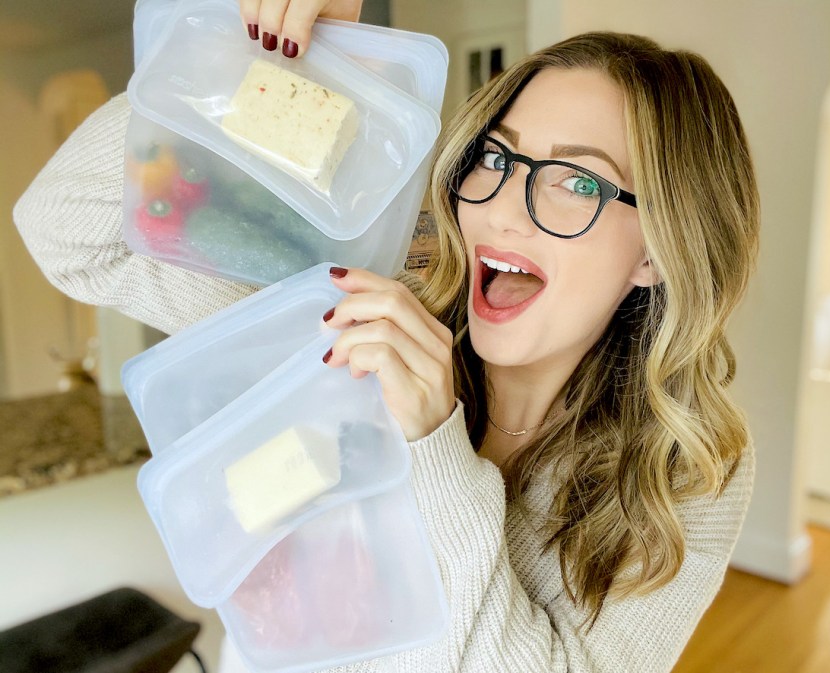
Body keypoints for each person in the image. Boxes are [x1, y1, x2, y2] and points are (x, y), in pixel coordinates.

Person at [13, 1, 760, 671]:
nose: (500, 207)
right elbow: (70, 232)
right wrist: (253, 57)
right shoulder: (366, 319)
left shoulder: (686, 472)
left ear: (657, 251)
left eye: (578, 181)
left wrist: (433, 445)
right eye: (495, 156)